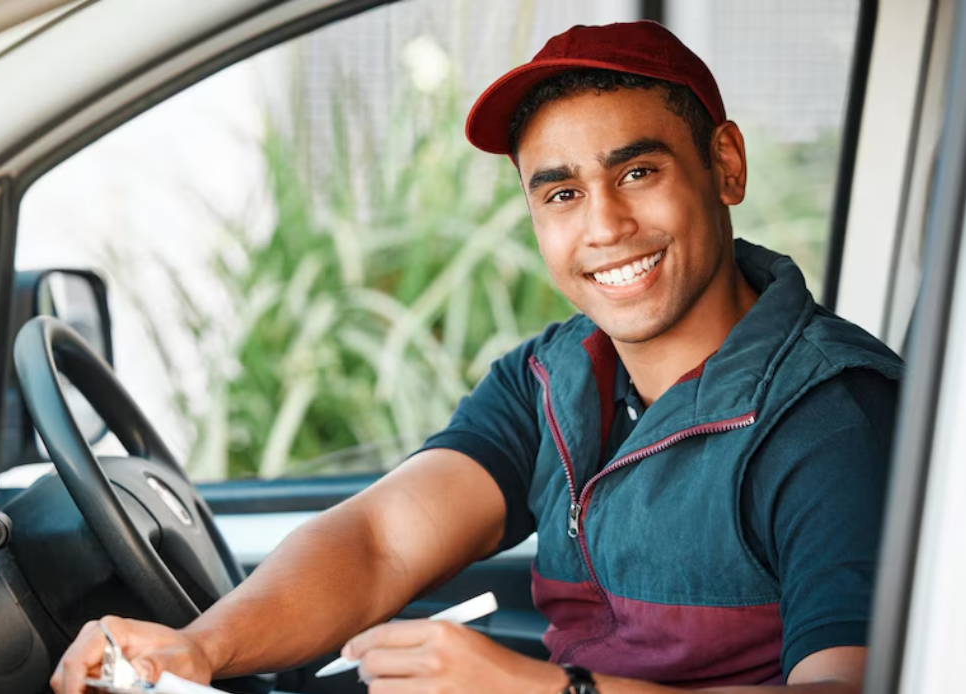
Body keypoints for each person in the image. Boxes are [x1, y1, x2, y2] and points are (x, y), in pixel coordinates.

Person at [51, 20, 901, 694]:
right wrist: (200, 647)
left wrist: (548, 690)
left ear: (725, 166)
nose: (604, 226)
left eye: (638, 173)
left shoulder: (832, 419)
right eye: (562, 193)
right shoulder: (555, 378)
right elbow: (379, 540)